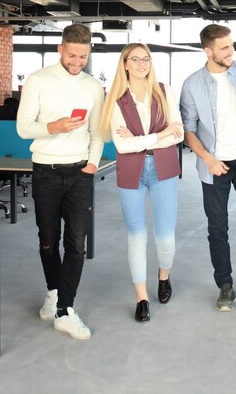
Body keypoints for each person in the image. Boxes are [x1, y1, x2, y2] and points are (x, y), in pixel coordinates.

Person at [17, 23, 104, 340]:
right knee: (48, 240)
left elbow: (98, 131)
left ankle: (65, 310)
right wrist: (53, 126)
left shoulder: (94, 87)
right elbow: (24, 128)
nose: (77, 62)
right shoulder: (38, 81)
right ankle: (53, 292)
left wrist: (93, 162)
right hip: (45, 171)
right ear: (60, 49)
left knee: (76, 245)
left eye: (83, 56)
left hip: (80, 172)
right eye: (72, 55)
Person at [180, 23, 236, 312]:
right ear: (208, 52)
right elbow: (188, 130)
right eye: (225, 48)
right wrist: (208, 159)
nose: (232, 51)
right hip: (214, 165)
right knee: (217, 229)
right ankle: (225, 284)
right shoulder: (192, 84)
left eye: (231, 45)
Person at [99, 43, 183, 322]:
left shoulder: (164, 91)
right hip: (131, 170)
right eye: (134, 59)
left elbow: (179, 134)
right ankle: (142, 298)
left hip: (164, 168)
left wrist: (142, 140)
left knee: (166, 237)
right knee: (136, 237)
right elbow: (122, 147)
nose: (141, 63)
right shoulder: (116, 99)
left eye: (145, 58)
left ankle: (163, 275)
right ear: (124, 64)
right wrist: (159, 136)